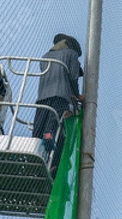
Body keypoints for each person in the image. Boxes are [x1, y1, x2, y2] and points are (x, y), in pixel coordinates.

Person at [33, 34, 84, 175]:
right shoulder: (72, 54)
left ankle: (34, 152)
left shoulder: (45, 57)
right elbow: (73, 78)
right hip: (61, 95)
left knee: (39, 127)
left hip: (42, 97)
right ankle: (50, 143)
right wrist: (78, 96)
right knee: (55, 122)